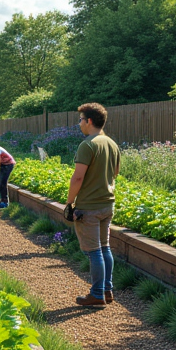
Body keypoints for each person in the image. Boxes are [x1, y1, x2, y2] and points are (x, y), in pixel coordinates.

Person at [65, 102, 121, 308]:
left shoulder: (88, 144)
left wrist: (69, 203)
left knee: (94, 251)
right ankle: (107, 291)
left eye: (80, 119)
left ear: (89, 121)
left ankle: (97, 294)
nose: (78, 123)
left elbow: (77, 178)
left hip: (89, 206)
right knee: (104, 247)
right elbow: (115, 172)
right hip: (108, 204)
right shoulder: (112, 143)